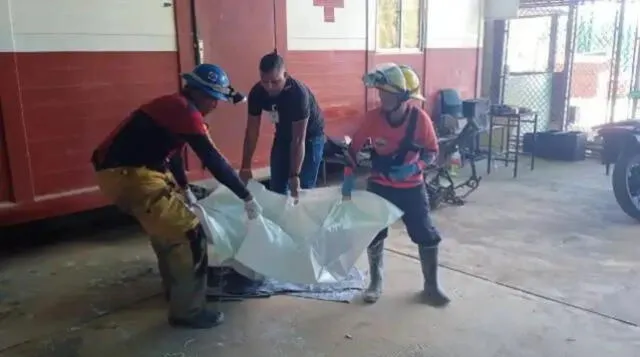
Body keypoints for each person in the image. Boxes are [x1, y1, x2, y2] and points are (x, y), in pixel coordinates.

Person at [91, 63, 262, 329]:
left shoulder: (175, 107)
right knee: (188, 234)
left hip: (127, 174)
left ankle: (176, 290)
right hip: (131, 176)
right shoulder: (185, 111)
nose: (215, 106)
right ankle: (188, 311)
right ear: (199, 93)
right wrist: (246, 196)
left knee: (168, 233)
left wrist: (183, 188)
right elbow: (213, 160)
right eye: (213, 99)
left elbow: (172, 156)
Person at [341, 63, 449, 307]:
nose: (382, 97)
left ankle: (431, 286)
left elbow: (432, 151)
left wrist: (416, 167)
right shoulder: (372, 118)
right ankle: (375, 282)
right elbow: (353, 150)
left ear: (403, 96)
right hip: (380, 186)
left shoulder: (420, 120)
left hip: (411, 188)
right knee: (374, 233)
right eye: (381, 92)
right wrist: (347, 183)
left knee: (426, 235)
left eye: (388, 93)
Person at [239, 51, 325, 198]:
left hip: (309, 138)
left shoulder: (298, 95)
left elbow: (298, 140)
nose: (269, 87)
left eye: (275, 81)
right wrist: (245, 166)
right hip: (283, 135)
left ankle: (300, 218)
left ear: (285, 75)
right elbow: (252, 131)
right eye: (265, 81)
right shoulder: (257, 93)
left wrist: (294, 175)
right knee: (277, 188)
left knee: (302, 189)